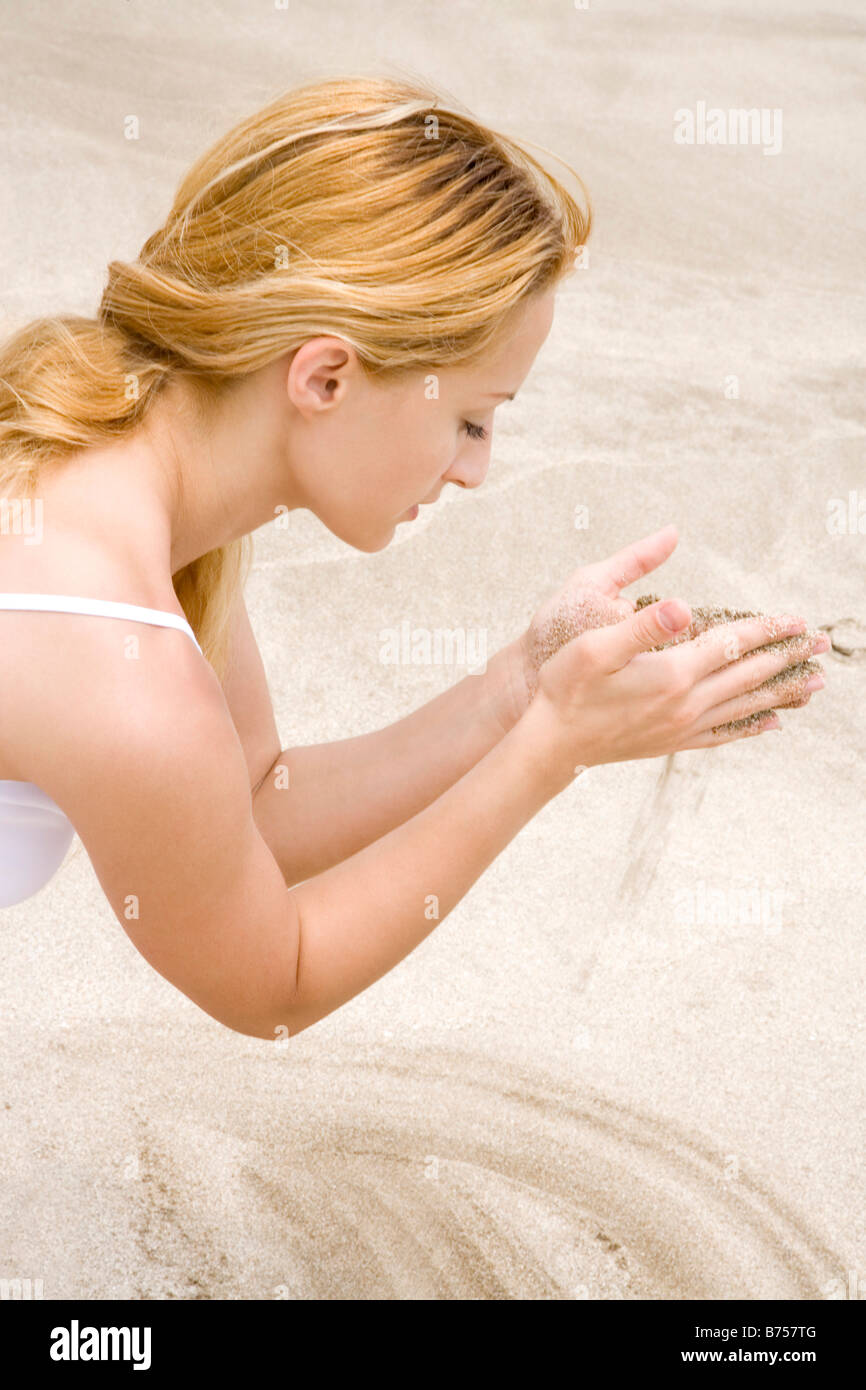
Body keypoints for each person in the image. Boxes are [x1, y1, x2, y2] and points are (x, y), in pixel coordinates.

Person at [0, 76, 827, 1033]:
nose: (478, 470)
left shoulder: (93, 426)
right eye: (472, 419)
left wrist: (517, 689)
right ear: (325, 375)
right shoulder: (119, 667)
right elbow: (273, 983)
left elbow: (250, 804)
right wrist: (551, 752)